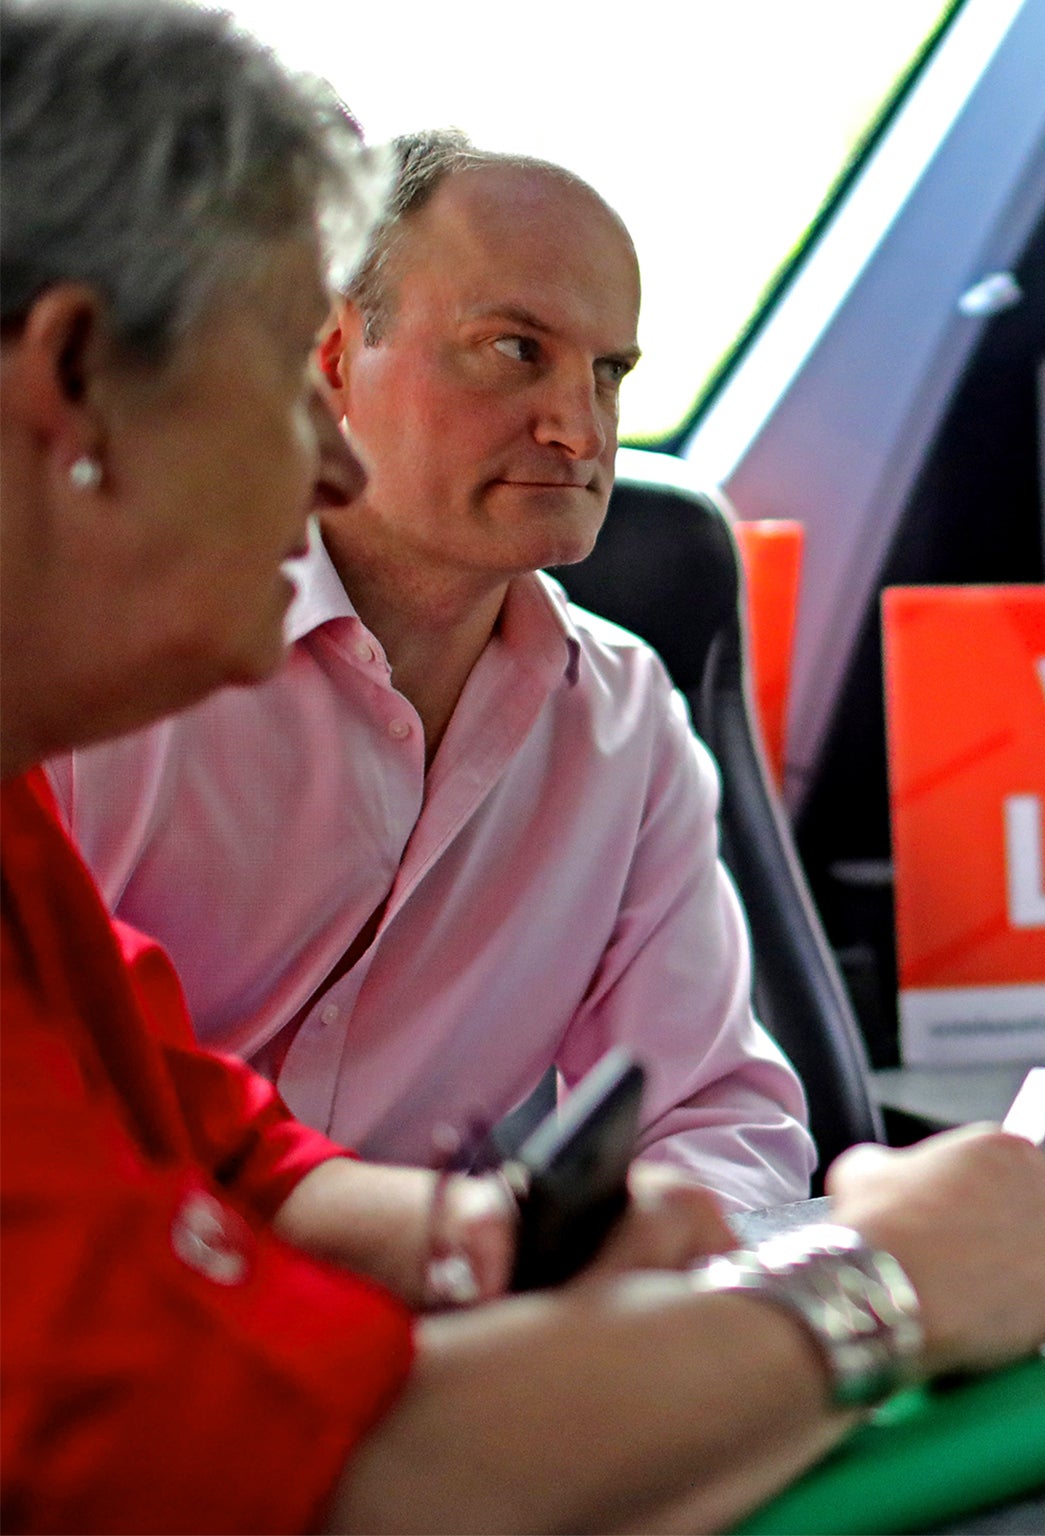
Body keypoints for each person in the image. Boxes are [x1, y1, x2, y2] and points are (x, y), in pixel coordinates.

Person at [0, 5, 1045, 1530]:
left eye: (612, 372)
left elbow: (223, 1151)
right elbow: (345, 1489)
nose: (318, 466)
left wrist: (494, 1248)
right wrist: (885, 1289)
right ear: (81, 374)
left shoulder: (20, 832)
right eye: (275, 380)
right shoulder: (91, 722)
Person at [49, 128, 811, 1209]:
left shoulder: (626, 714)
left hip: (452, 1331)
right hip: (143, 1323)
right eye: (514, 351)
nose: (579, 430)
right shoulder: (100, 671)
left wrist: (664, 1272)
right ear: (328, 360)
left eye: (609, 372)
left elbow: (717, 1112)